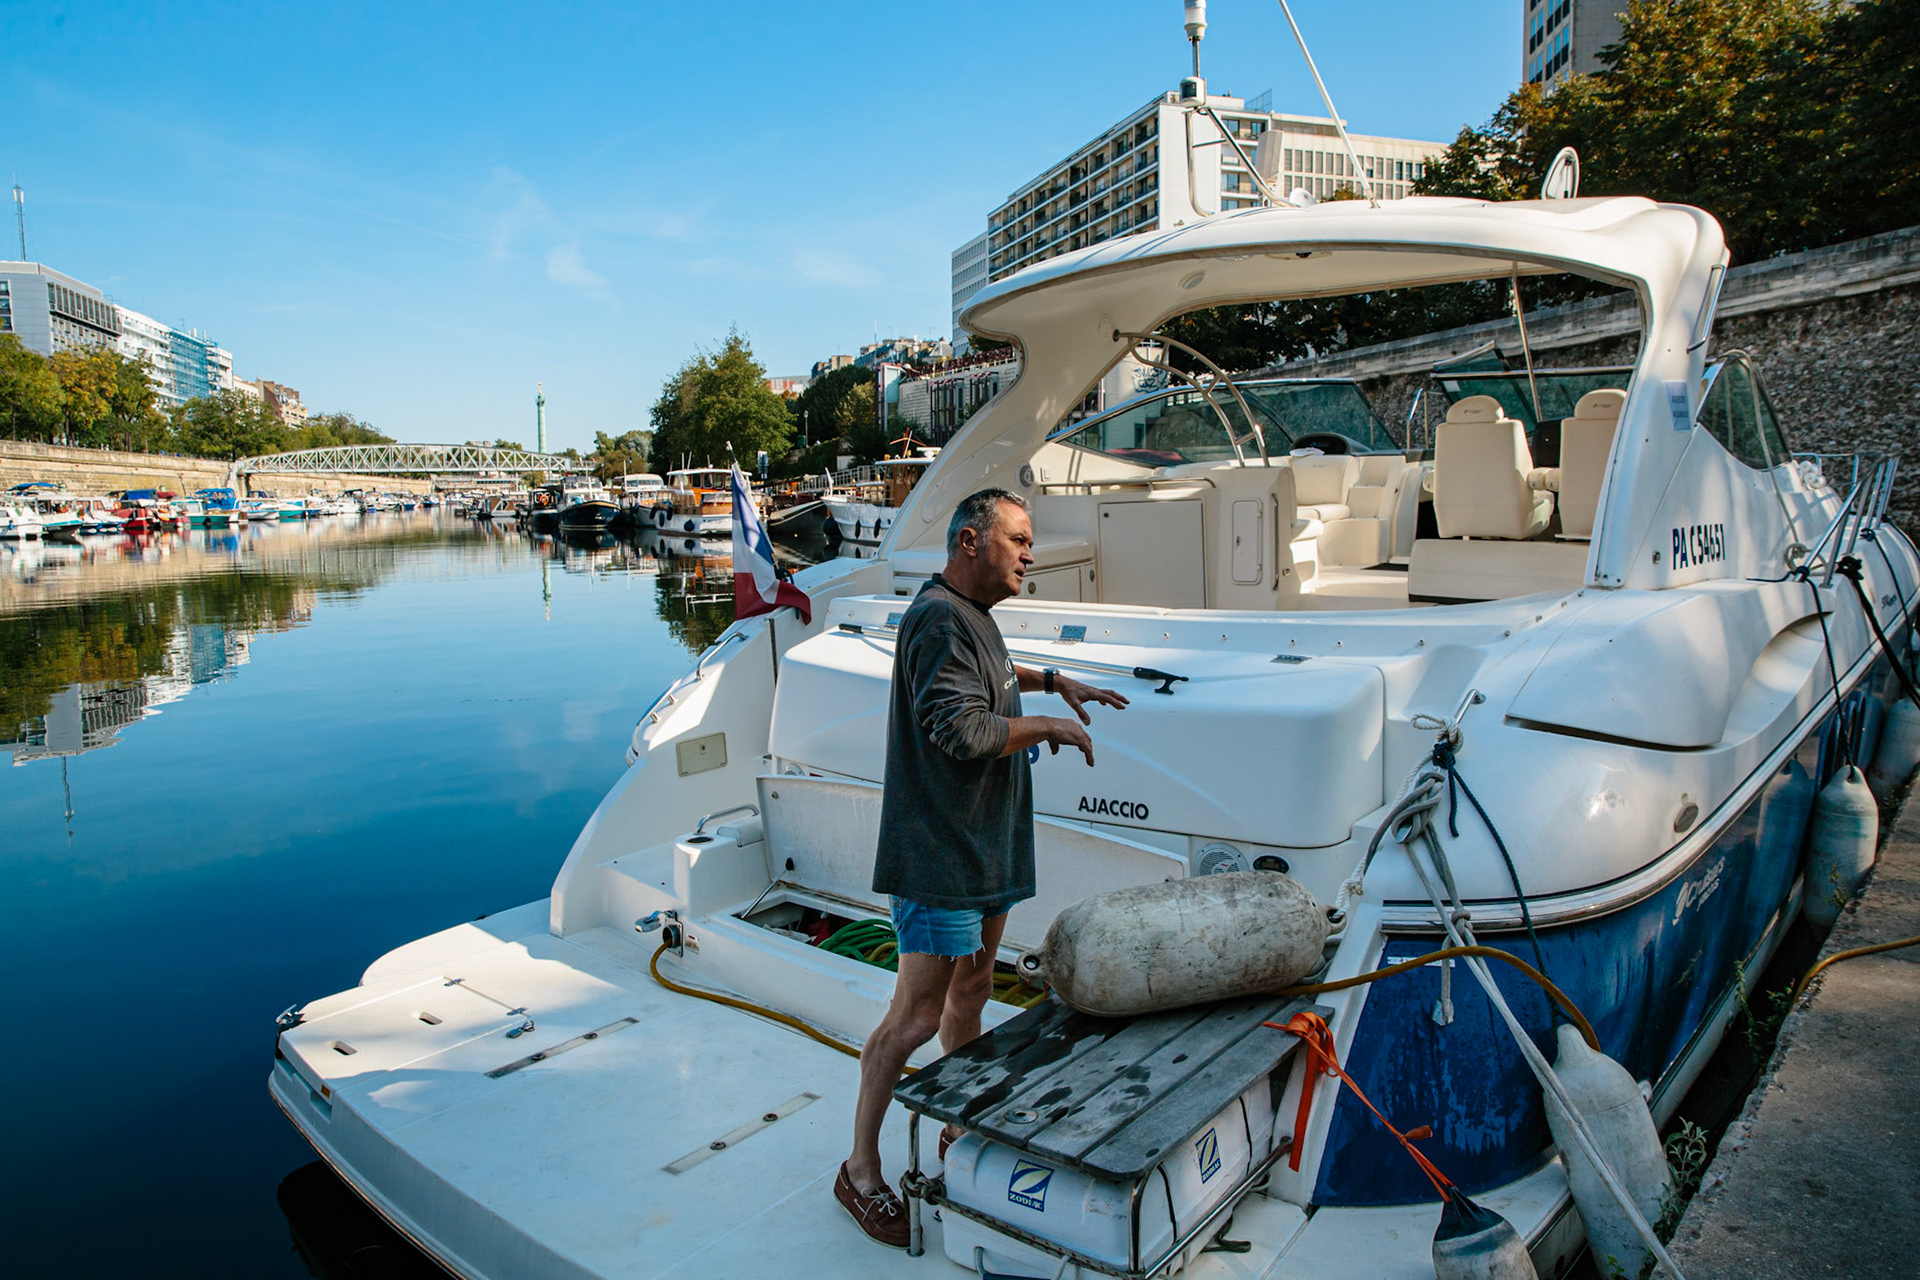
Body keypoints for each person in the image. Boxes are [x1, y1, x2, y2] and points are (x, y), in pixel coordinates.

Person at [835, 488, 1129, 1246]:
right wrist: (1050, 728)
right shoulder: (936, 618)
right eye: (1019, 539)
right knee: (914, 1021)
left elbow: (986, 676)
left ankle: (957, 1123)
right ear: (971, 541)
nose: (1031, 553)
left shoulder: (971, 617)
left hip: (985, 850)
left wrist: (1051, 679)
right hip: (940, 858)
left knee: (970, 995)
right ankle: (859, 1169)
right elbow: (961, 731)